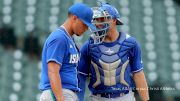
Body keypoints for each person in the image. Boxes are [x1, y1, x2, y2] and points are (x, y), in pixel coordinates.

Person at [78, 3, 149, 101]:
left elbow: (138, 74)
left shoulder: (130, 43)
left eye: (102, 19)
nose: (98, 23)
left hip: (125, 97)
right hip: (97, 98)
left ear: (114, 20)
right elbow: (81, 76)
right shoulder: (88, 46)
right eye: (97, 19)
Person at [39, 3, 95, 101]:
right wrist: (60, 99)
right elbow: (53, 71)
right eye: (84, 24)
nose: (86, 29)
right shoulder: (59, 38)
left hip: (65, 93)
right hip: (58, 93)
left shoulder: (68, 39)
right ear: (74, 18)